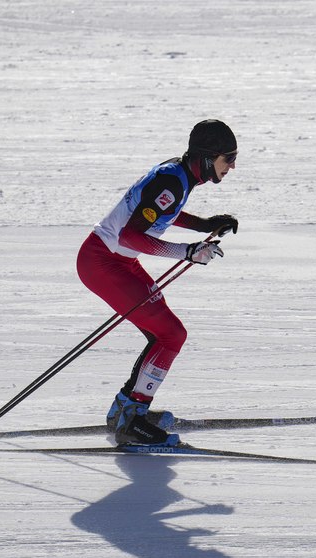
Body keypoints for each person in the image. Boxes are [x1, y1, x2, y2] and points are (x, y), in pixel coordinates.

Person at [76, 119, 240, 446]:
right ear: (208, 158)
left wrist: (204, 225)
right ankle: (131, 419)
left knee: (162, 334)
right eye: (228, 158)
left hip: (115, 261)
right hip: (103, 262)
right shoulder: (173, 181)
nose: (232, 167)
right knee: (171, 334)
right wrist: (187, 252)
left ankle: (126, 409)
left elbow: (163, 211)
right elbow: (131, 235)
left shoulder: (178, 175)